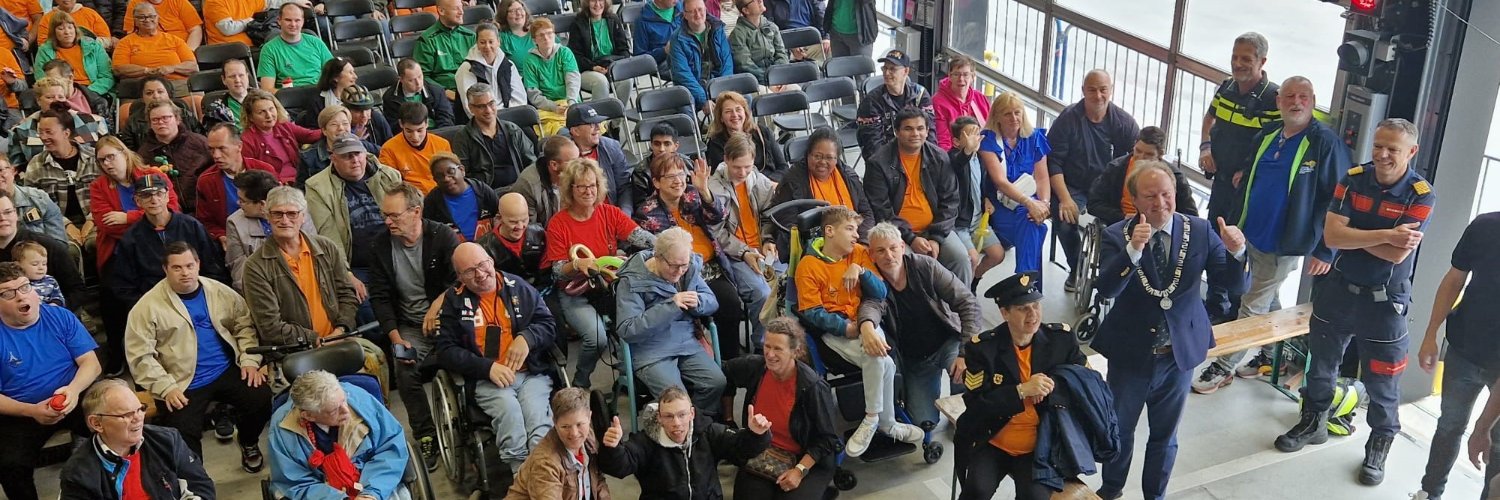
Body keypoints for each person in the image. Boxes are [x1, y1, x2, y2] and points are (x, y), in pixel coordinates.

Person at [1272, 118, 1436, 487]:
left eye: (1392, 148)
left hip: (1384, 305)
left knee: (1383, 383)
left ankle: (1378, 445)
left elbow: (1396, 256)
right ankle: (1312, 420)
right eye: (1378, 145)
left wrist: (1354, 236)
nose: (1381, 154)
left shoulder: (1421, 193)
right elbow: (1331, 235)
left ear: (1411, 152)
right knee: (1321, 367)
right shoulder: (1354, 177)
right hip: (1339, 291)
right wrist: (1385, 235)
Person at [1090, 160, 1247, 500]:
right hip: (1131, 355)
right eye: (1150, 196)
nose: (1159, 203)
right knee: (1120, 428)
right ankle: (1112, 488)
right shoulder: (1118, 234)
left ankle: (1155, 496)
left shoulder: (1201, 230)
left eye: (1166, 194)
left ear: (1176, 193)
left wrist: (1237, 252)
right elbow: (1105, 289)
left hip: (1178, 355)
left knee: (1165, 434)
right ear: (1134, 201)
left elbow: (1232, 284)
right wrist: (1133, 250)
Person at [1193, 76, 1344, 395]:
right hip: (1250, 235)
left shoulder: (1323, 142)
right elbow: (1250, 176)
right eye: (1289, 96)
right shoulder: (1269, 136)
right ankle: (1271, 353)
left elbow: (1339, 197)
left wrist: (1325, 250)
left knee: (1251, 304)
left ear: (1313, 101)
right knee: (1267, 297)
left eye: (1303, 96)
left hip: (1284, 243)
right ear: (1278, 102)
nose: (1296, 102)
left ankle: (1223, 366)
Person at [124, 242, 270, 467]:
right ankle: (196, 479)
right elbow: (140, 356)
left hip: (225, 368)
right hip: (181, 381)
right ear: (165, 269)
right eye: (177, 268)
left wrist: (249, 360)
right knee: (182, 431)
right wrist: (166, 387)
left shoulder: (219, 291)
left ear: (198, 264)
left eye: (189, 265)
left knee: (260, 398)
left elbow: (244, 325)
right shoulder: (147, 307)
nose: (185, 273)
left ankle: (249, 441)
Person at [794, 206, 923, 456]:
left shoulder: (860, 254)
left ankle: (872, 418)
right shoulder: (808, 266)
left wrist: (861, 272)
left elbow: (880, 293)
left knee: (879, 356)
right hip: (837, 330)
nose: (856, 235)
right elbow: (810, 311)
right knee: (882, 360)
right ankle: (886, 422)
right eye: (850, 229)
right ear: (829, 231)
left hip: (868, 321)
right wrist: (846, 328)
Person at [953, 271, 1088, 500]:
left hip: (1040, 445)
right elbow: (977, 406)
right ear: (1004, 312)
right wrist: (1021, 391)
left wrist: (1048, 387)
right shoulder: (983, 349)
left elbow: (1084, 383)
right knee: (976, 490)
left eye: (1036, 305)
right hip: (994, 439)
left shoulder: (1060, 340)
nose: (1033, 314)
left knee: (1034, 496)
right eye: (1023, 308)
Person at [433, 241, 557, 474]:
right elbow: (445, 350)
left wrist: (527, 338)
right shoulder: (454, 301)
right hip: (488, 380)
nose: (480, 274)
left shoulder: (517, 287)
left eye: (482, 264)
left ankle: (544, 475)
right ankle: (520, 475)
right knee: (510, 415)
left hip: (530, 374)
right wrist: (486, 367)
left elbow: (549, 325)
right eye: (470, 271)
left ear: (491, 260)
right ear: (459, 276)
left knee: (537, 419)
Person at [368, 183, 458, 471]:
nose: (387, 221)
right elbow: (380, 297)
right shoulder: (381, 246)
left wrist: (437, 305)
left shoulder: (442, 236)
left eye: (394, 216)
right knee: (404, 368)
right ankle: (426, 434)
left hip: (448, 320)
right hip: (408, 326)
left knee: (467, 358)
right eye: (385, 215)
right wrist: (396, 338)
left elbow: (463, 279)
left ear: (416, 212)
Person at [544, 158, 656, 387]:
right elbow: (557, 271)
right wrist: (577, 265)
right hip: (576, 292)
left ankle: (632, 376)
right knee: (596, 339)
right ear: (570, 189)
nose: (588, 191)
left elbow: (642, 237)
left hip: (609, 287)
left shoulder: (609, 213)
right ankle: (580, 383)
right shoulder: (558, 223)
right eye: (582, 186)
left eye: (592, 185)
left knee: (635, 327)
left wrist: (665, 246)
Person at [1415, 213, 1500, 500]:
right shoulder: (1486, 225)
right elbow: (1454, 280)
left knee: (1496, 443)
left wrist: (1483, 426)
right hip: (1464, 348)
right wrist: (1431, 334)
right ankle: (1429, 492)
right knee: (1449, 424)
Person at [0, 260, 100, 500]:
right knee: (9, 465)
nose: (20, 296)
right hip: (21, 410)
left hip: (72, 393)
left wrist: (73, 392)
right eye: (7, 293)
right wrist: (31, 410)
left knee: (119, 421)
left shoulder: (59, 316)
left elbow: (91, 364)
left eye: (25, 287)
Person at [1199, 33, 1279, 324]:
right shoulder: (1227, 87)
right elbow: (1210, 118)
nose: (1238, 64)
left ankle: (1237, 308)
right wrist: (1205, 146)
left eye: (1246, 58)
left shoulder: (1273, 98)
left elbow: (1275, 145)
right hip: (1221, 183)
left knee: (1240, 248)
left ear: (1262, 61)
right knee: (1214, 241)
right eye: (1235, 57)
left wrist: (1248, 172)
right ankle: (1215, 302)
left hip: (1247, 192)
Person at [867, 222, 980, 427]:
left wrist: (966, 353)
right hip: (915, 360)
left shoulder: (925, 266)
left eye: (893, 248)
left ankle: (968, 416)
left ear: (903, 246)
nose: (889, 256)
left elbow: (968, 303)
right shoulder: (873, 281)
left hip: (948, 343)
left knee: (971, 377)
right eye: (880, 251)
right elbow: (870, 307)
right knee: (922, 421)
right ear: (871, 254)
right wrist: (866, 326)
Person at [615, 217, 728, 417]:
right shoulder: (632, 280)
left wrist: (698, 303)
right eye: (674, 266)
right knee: (677, 400)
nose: (679, 272)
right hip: (650, 351)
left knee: (716, 382)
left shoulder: (687, 268)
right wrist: (670, 306)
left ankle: (697, 426)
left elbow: (713, 302)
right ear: (657, 257)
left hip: (686, 343)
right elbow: (627, 329)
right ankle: (679, 433)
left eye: (684, 265)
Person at [721, 317, 840, 499]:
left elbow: (828, 440)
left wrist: (799, 471)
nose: (769, 354)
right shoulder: (756, 368)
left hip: (804, 459)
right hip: (763, 452)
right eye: (767, 346)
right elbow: (725, 373)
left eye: (778, 349)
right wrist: (728, 418)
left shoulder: (812, 387)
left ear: (795, 351)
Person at [1046, 69, 1140, 291]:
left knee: (1121, 227)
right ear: (1083, 91)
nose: (1098, 95)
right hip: (1074, 184)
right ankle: (1076, 267)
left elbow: (1139, 163)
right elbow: (1053, 162)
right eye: (1092, 90)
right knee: (1064, 219)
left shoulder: (1124, 123)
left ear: (1111, 91)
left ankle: (1113, 276)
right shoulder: (1068, 119)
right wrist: (1066, 199)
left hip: (1110, 189)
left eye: (1103, 90)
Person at [598, 386, 772, 498]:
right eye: (668, 416)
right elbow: (619, 467)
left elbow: (740, 450)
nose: (676, 423)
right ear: (659, 417)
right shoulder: (645, 442)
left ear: (692, 414)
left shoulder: (708, 433)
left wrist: (756, 434)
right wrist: (613, 449)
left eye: (682, 415)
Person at [864, 108, 971, 288]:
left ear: (927, 131)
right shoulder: (878, 163)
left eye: (920, 128)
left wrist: (936, 238)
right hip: (898, 233)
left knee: (960, 259)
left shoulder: (939, 157)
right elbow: (881, 209)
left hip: (936, 230)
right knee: (906, 269)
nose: (915, 133)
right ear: (897, 132)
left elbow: (951, 201)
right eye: (908, 128)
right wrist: (911, 238)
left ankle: (962, 311)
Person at [241, 186, 359, 347]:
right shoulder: (255, 266)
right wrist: (315, 340)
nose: (284, 220)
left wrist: (341, 330)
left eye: (292, 213)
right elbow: (269, 326)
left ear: (303, 216)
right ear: (267, 216)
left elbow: (346, 294)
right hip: (294, 352)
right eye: (277, 214)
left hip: (340, 340)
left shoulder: (327, 248)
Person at [306, 133, 404, 327]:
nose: (354, 160)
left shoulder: (389, 175)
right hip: (357, 265)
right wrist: (347, 275)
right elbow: (329, 235)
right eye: (346, 156)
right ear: (333, 158)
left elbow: (406, 219)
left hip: (397, 255)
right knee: (367, 311)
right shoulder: (318, 187)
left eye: (357, 154)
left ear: (365, 153)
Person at [59, 378, 214, 499]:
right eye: (126, 414)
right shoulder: (77, 474)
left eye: (140, 409)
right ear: (97, 423)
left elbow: (200, 486)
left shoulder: (168, 440)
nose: (139, 418)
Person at [267, 370, 411, 500]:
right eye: (334, 410)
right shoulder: (283, 428)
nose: (346, 411)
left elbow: (390, 448)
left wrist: (371, 493)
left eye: (344, 400)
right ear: (309, 415)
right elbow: (294, 483)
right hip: (321, 492)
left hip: (372, 479)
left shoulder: (360, 399)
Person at [111, 172, 228, 306]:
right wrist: (150, 306)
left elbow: (213, 268)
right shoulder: (131, 238)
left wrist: (205, 298)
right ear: (138, 201)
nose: (154, 200)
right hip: (155, 305)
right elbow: (124, 286)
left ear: (167, 196)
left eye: (159, 194)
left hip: (199, 298)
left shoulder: (192, 226)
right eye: (146, 195)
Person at [980, 92, 1051, 280]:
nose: (1014, 118)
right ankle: (1028, 286)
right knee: (1035, 229)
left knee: (1032, 224)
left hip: (1029, 202)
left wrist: (1044, 203)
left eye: (1017, 112)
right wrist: (1030, 204)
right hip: (1001, 204)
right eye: (1007, 114)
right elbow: (1000, 182)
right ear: (997, 117)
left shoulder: (1034, 137)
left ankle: (1024, 283)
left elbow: (1043, 178)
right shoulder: (988, 140)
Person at [767, 127, 875, 243]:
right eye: (817, 156)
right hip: (817, 248)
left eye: (829, 158)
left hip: (855, 241)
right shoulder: (792, 181)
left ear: (837, 158)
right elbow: (788, 226)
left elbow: (866, 213)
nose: (823, 162)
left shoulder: (849, 176)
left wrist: (862, 241)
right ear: (808, 154)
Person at [507, 387, 612, 499]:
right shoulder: (544, 463)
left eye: (579, 424)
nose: (574, 433)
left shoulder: (588, 437)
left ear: (589, 417)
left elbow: (598, 480)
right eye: (565, 427)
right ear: (555, 422)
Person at [23, 103, 102, 251]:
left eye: (49, 132)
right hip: (55, 224)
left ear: (66, 133)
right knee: (67, 250)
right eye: (40, 132)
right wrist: (66, 224)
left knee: (96, 243)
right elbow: (33, 202)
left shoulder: (95, 157)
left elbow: (107, 193)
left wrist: (91, 221)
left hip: (97, 218)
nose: (43, 137)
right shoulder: (37, 164)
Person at [1086, 126, 1198, 227]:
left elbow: (1191, 215)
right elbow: (1094, 203)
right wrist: (1121, 217)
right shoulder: (1116, 169)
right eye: (1138, 151)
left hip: (1161, 226)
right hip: (1122, 225)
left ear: (1160, 155)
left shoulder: (1175, 177)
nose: (1140, 158)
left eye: (1148, 155)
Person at [706, 131, 775, 283]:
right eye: (736, 167)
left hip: (763, 250)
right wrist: (744, 252)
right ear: (726, 160)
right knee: (763, 293)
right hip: (735, 255)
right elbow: (716, 232)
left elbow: (769, 217)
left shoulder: (760, 182)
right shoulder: (714, 189)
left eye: (747, 167)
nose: (742, 173)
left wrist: (769, 240)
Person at [226, 169, 313, 288]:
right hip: (259, 288)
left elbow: (312, 254)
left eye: (243, 201)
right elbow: (239, 270)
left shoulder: (298, 214)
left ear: (263, 205)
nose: (238, 203)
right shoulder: (235, 223)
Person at [946, 117, 1006, 286]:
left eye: (977, 134)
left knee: (997, 254)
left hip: (979, 219)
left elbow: (981, 183)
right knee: (971, 258)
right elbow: (958, 164)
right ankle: (964, 295)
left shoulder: (979, 158)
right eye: (970, 135)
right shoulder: (951, 158)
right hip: (960, 223)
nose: (975, 140)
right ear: (957, 141)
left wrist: (986, 198)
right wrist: (967, 151)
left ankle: (974, 280)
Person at [199, 123, 278, 244]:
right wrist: (221, 236)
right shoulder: (206, 181)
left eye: (221, 148)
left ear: (239, 146)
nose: (216, 155)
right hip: (231, 240)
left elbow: (280, 205)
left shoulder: (265, 170)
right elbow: (205, 221)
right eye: (211, 149)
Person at [8, 77, 109, 170]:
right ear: (38, 100)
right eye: (50, 97)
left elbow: (109, 155)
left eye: (60, 97)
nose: (56, 100)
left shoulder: (95, 122)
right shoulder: (21, 130)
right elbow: (16, 168)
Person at [521, 18, 600, 137]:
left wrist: (571, 103)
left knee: (590, 131)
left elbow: (572, 80)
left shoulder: (565, 52)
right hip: (547, 107)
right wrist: (552, 106)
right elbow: (534, 93)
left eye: (549, 33)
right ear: (534, 40)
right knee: (565, 134)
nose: (546, 38)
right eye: (541, 35)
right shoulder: (529, 60)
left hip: (570, 102)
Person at [451, 83, 537, 190]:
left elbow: (531, 162)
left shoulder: (512, 130)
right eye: (481, 106)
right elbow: (463, 175)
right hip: (487, 193)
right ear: (470, 108)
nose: (488, 110)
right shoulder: (463, 137)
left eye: (491, 103)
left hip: (519, 187)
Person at [855, 49, 935, 159]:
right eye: (885, 68)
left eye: (892, 69)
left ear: (906, 71)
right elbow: (873, 145)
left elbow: (930, 133)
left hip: (918, 155)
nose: (887, 73)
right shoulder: (871, 101)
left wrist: (929, 159)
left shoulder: (920, 94)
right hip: (886, 161)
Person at [136, 100, 212, 213]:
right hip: (169, 214)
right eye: (155, 120)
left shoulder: (200, 143)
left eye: (166, 117)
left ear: (177, 119)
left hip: (205, 208)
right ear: (150, 124)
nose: (161, 122)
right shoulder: (144, 153)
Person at [112, 3, 198, 96]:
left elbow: (193, 66)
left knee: (198, 101)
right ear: (135, 21)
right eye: (142, 17)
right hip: (140, 87)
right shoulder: (125, 42)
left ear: (157, 18)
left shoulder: (175, 40)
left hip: (177, 85)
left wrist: (172, 68)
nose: (147, 20)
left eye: (151, 16)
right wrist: (147, 71)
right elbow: (118, 69)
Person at [241, 90, 323, 183]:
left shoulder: (284, 126)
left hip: (300, 178)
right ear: (250, 117)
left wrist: (332, 130)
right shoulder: (247, 140)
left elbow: (310, 135)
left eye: (271, 109)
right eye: (261, 112)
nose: (269, 115)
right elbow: (251, 175)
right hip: (275, 186)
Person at [706, 91, 789, 180]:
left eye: (738, 110)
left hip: (772, 183)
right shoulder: (716, 142)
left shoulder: (763, 132)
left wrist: (770, 184)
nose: (734, 115)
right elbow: (726, 177)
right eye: (728, 111)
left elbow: (783, 167)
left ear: (745, 112)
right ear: (721, 118)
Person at [564, 103, 632, 210]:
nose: (597, 128)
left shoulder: (612, 147)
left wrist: (625, 214)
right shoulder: (564, 154)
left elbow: (624, 187)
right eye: (591, 124)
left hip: (612, 213)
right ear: (575, 131)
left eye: (597, 123)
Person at [669, 0, 732, 112]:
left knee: (746, 99)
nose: (698, 15)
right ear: (685, 15)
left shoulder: (718, 29)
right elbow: (683, 74)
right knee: (686, 108)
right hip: (693, 87)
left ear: (705, 9)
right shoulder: (677, 39)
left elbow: (727, 63)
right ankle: (698, 129)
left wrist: (721, 93)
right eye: (692, 11)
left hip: (717, 82)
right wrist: (703, 99)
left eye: (700, 9)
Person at [33, 12, 114, 98]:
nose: (67, 32)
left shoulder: (94, 47)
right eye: (61, 29)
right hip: (59, 93)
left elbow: (107, 76)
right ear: (53, 33)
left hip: (92, 91)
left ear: (76, 29)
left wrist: (87, 92)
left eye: (70, 27)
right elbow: (41, 78)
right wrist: (63, 92)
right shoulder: (44, 50)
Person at [478, 192, 550, 286]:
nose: (520, 226)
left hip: (541, 290)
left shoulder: (540, 234)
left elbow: (546, 272)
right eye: (513, 222)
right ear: (500, 218)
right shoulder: (484, 249)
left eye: (524, 220)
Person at [380, 102, 453, 194]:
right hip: (411, 198)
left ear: (427, 123)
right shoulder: (388, 149)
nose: (415, 137)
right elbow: (391, 186)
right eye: (409, 131)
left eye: (420, 130)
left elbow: (450, 176)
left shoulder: (442, 144)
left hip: (441, 194)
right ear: (401, 124)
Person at [424, 152, 499, 241]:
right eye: (440, 176)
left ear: (462, 170)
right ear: (435, 180)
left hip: (488, 249)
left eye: (450, 171)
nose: (446, 178)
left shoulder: (483, 191)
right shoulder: (432, 202)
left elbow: (500, 219)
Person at [256, 4, 332, 91]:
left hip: (319, 94)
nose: (293, 24)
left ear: (303, 21)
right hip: (289, 99)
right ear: (279, 21)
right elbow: (268, 89)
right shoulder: (269, 49)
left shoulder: (316, 43)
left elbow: (334, 73)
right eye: (288, 20)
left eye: (297, 20)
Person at [119, 76, 202, 152]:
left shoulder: (185, 114)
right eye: (149, 93)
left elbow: (200, 139)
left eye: (160, 91)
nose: (156, 96)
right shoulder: (133, 121)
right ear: (142, 97)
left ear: (168, 94)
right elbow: (129, 152)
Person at [457, 23, 528, 111]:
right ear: (477, 44)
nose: (487, 46)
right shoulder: (467, 68)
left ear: (498, 42)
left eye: (491, 42)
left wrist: (507, 117)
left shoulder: (509, 65)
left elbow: (520, 100)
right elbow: (469, 107)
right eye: (482, 42)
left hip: (510, 115)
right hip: (482, 118)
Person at [302, 105, 381, 184]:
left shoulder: (362, 146)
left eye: (345, 123)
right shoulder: (308, 157)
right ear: (324, 130)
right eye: (334, 124)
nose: (341, 128)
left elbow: (384, 152)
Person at [568, 0, 630, 99]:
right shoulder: (578, 24)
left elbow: (624, 49)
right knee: (600, 81)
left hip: (611, 66)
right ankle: (600, 113)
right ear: (587, 3)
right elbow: (575, 56)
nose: (597, 4)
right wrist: (593, 67)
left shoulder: (613, 19)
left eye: (601, 0)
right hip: (587, 69)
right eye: (593, 1)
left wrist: (616, 66)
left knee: (626, 80)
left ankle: (619, 112)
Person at [511, 135, 578, 224]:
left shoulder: (577, 176)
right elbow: (530, 230)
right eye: (573, 162)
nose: (579, 165)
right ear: (554, 165)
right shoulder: (528, 185)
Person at [413, 0, 475, 94]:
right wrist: (444, 92)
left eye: (461, 7)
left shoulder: (470, 36)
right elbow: (422, 76)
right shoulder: (427, 40)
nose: (461, 12)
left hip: (471, 90)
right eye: (456, 8)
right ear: (441, 11)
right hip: (443, 93)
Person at [0, 158, 67, 243]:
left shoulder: (40, 199)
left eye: (0, 170)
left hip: (42, 253)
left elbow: (58, 242)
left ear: (13, 171)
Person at [932, 55, 990, 150]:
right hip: (956, 154)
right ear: (949, 76)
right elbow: (942, 141)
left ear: (973, 77)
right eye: (956, 74)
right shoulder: (938, 102)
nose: (961, 79)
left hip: (983, 150)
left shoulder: (980, 98)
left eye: (966, 74)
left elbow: (991, 128)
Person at [382, 58, 457, 130]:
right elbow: (395, 127)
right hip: (410, 136)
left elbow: (446, 118)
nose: (418, 83)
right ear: (401, 79)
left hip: (437, 133)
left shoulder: (437, 91)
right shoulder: (390, 98)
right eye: (411, 80)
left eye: (420, 76)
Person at [729, 0, 788, 88]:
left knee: (797, 91)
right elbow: (745, 65)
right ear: (746, 10)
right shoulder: (738, 34)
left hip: (778, 78)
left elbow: (782, 54)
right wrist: (769, 80)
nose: (760, 0)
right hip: (755, 83)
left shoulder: (772, 27)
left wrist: (777, 76)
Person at [39, 60, 108, 119]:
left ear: (70, 78)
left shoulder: (97, 102)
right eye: (47, 80)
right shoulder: (42, 101)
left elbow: (104, 130)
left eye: (55, 80)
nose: (50, 84)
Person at [121, 0, 202, 48]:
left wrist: (189, 52)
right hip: (150, 49)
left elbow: (195, 29)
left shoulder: (179, 1)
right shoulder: (135, 3)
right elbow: (131, 33)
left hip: (182, 49)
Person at [306, 57, 360, 128]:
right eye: (350, 72)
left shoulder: (359, 95)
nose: (355, 76)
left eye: (354, 72)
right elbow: (313, 129)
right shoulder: (317, 102)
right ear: (336, 77)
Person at [37, 0, 114, 49]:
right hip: (59, 63)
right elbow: (42, 45)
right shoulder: (47, 18)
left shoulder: (90, 14)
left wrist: (82, 44)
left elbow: (107, 41)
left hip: (91, 57)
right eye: (60, 28)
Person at [632, 0, 682, 74]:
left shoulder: (683, 9)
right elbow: (640, 58)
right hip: (663, 62)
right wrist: (664, 51)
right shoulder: (642, 21)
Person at [202, 59, 254, 129]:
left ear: (247, 76)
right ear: (224, 80)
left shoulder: (263, 99)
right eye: (232, 76)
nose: (237, 80)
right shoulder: (217, 110)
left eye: (241, 75)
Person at [13, 241, 63, 307]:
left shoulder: (50, 280)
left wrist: (53, 305)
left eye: (44, 264)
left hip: (47, 313)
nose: (41, 268)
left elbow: (58, 298)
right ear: (18, 265)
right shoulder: (13, 283)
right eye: (35, 264)